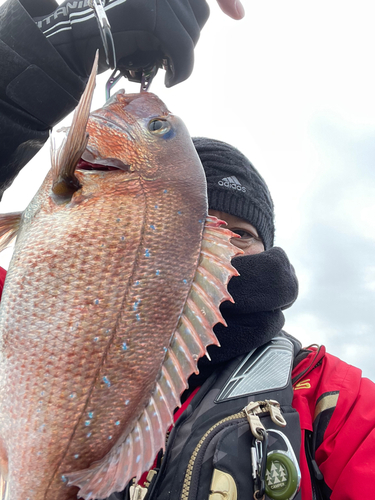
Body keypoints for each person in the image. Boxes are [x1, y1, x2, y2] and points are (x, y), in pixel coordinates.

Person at [0, 2, 374, 500]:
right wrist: (29, 62)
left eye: (238, 234)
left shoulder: (338, 402)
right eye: (196, 229)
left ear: (269, 248)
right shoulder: (35, 304)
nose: (217, 247)